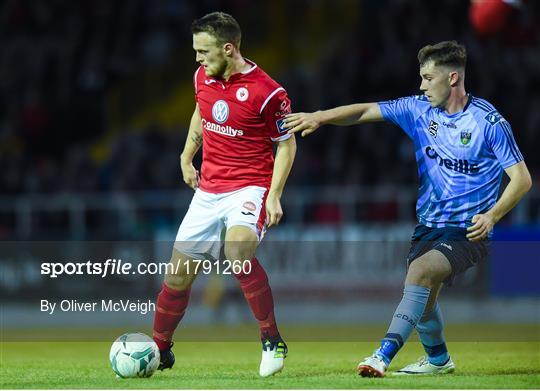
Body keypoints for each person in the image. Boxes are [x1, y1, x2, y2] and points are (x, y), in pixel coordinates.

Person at [285, 41, 531, 377]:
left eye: (429, 78)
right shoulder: (418, 110)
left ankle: (382, 355)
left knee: (419, 275)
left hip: (469, 230)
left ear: (453, 78)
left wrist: (492, 216)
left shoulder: (488, 122)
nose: (422, 86)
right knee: (423, 299)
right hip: (428, 225)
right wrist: (320, 117)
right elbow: (365, 111)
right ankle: (439, 359)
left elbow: (521, 179)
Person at [152, 12, 296, 377]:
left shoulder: (269, 92)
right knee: (177, 277)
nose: (198, 59)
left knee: (237, 252)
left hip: (250, 187)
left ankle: (272, 339)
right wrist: (186, 156)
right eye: (196, 51)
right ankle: (160, 348)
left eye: (204, 51)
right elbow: (201, 112)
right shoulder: (203, 76)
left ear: (228, 49)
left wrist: (274, 195)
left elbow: (286, 144)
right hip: (208, 190)